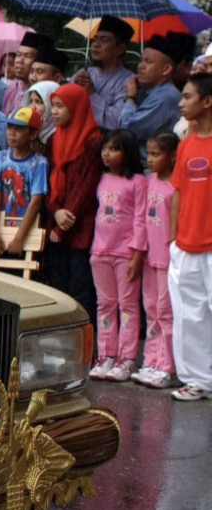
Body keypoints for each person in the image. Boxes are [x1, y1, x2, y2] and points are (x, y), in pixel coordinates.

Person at [88, 129, 146, 383]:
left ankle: (127, 358)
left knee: (128, 306)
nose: (106, 153)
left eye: (113, 149)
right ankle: (106, 354)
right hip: (100, 251)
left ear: (128, 152)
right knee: (105, 304)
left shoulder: (137, 182)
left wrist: (136, 255)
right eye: (105, 148)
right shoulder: (101, 178)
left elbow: (141, 218)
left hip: (125, 253)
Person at [43, 83, 103, 321]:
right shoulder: (52, 141)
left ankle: (84, 347)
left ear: (76, 107)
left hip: (80, 227)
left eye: (60, 106)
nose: (54, 112)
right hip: (55, 223)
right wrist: (55, 212)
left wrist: (62, 222)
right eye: (53, 106)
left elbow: (86, 186)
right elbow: (46, 184)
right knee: (57, 288)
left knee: (80, 290)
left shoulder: (93, 142)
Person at [169, 74, 212, 400]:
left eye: (187, 96)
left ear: (207, 101)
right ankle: (198, 380)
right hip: (186, 244)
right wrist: (173, 240)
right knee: (189, 316)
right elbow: (178, 195)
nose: (181, 103)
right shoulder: (184, 145)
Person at [132, 131, 180, 389]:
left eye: (156, 154)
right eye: (148, 154)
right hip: (149, 258)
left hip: (167, 259)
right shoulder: (148, 182)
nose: (150, 159)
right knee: (150, 310)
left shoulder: (177, 187)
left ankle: (168, 366)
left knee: (166, 313)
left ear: (172, 156)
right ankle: (151, 360)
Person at [0, 106, 48, 263]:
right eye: (9, 127)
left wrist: (20, 237)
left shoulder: (39, 163)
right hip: (0, 229)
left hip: (26, 233)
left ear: (33, 134)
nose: (11, 133)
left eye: (18, 129)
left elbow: (35, 202)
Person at [119, 33, 183, 147]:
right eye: (140, 60)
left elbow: (126, 129)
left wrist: (130, 98)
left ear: (166, 69)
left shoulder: (165, 96)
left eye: (148, 61)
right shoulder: (146, 89)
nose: (140, 66)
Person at [72, 16, 135, 130]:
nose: (96, 44)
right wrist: (72, 88)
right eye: (95, 39)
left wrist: (91, 95)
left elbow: (118, 121)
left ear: (120, 48)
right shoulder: (84, 73)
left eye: (104, 40)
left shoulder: (129, 81)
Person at [3, 31, 52, 114]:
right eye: (18, 55)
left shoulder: (42, 94)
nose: (20, 60)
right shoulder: (10, 88)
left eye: (27, 56)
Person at [26, 80, 60, 149]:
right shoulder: (25, 129)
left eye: (38, 102)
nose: (32, 107)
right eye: (30, 101)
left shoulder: (58, 139)